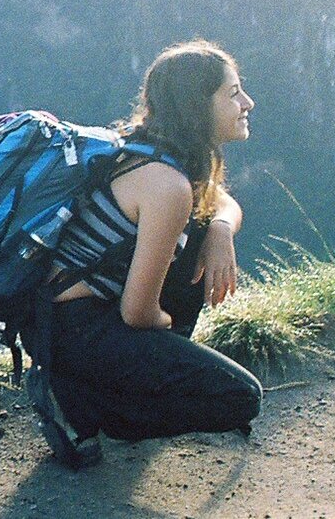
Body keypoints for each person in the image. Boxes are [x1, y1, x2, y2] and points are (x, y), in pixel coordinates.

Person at [25, 39, 264, 468]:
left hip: (55, 321)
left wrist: (221, 231)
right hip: (78, 332)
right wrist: (166, 330)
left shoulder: (144, 149)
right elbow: (138, 313)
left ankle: (108, 386)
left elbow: (217, 201)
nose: (247, 102)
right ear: (198, 106)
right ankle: (94, 411)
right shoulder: (167, 186)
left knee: (201, 231)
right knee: (240, 397)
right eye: (232, 93)